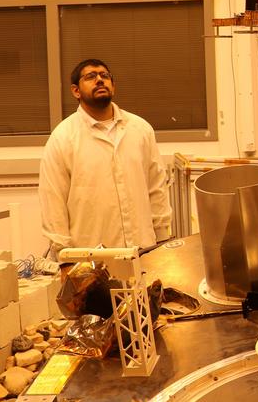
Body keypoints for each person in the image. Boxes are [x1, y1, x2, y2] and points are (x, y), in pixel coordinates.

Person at [38, 59, 172, 258]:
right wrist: (63, 255)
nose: (100, 80)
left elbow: (156, 187)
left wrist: (161, 238)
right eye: (90, 77)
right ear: (76, 91)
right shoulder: (63, 137)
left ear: (113, 86)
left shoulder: (140, 129)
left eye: (105, 75)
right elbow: (53, 200)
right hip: (90, 257)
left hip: (144, 250)